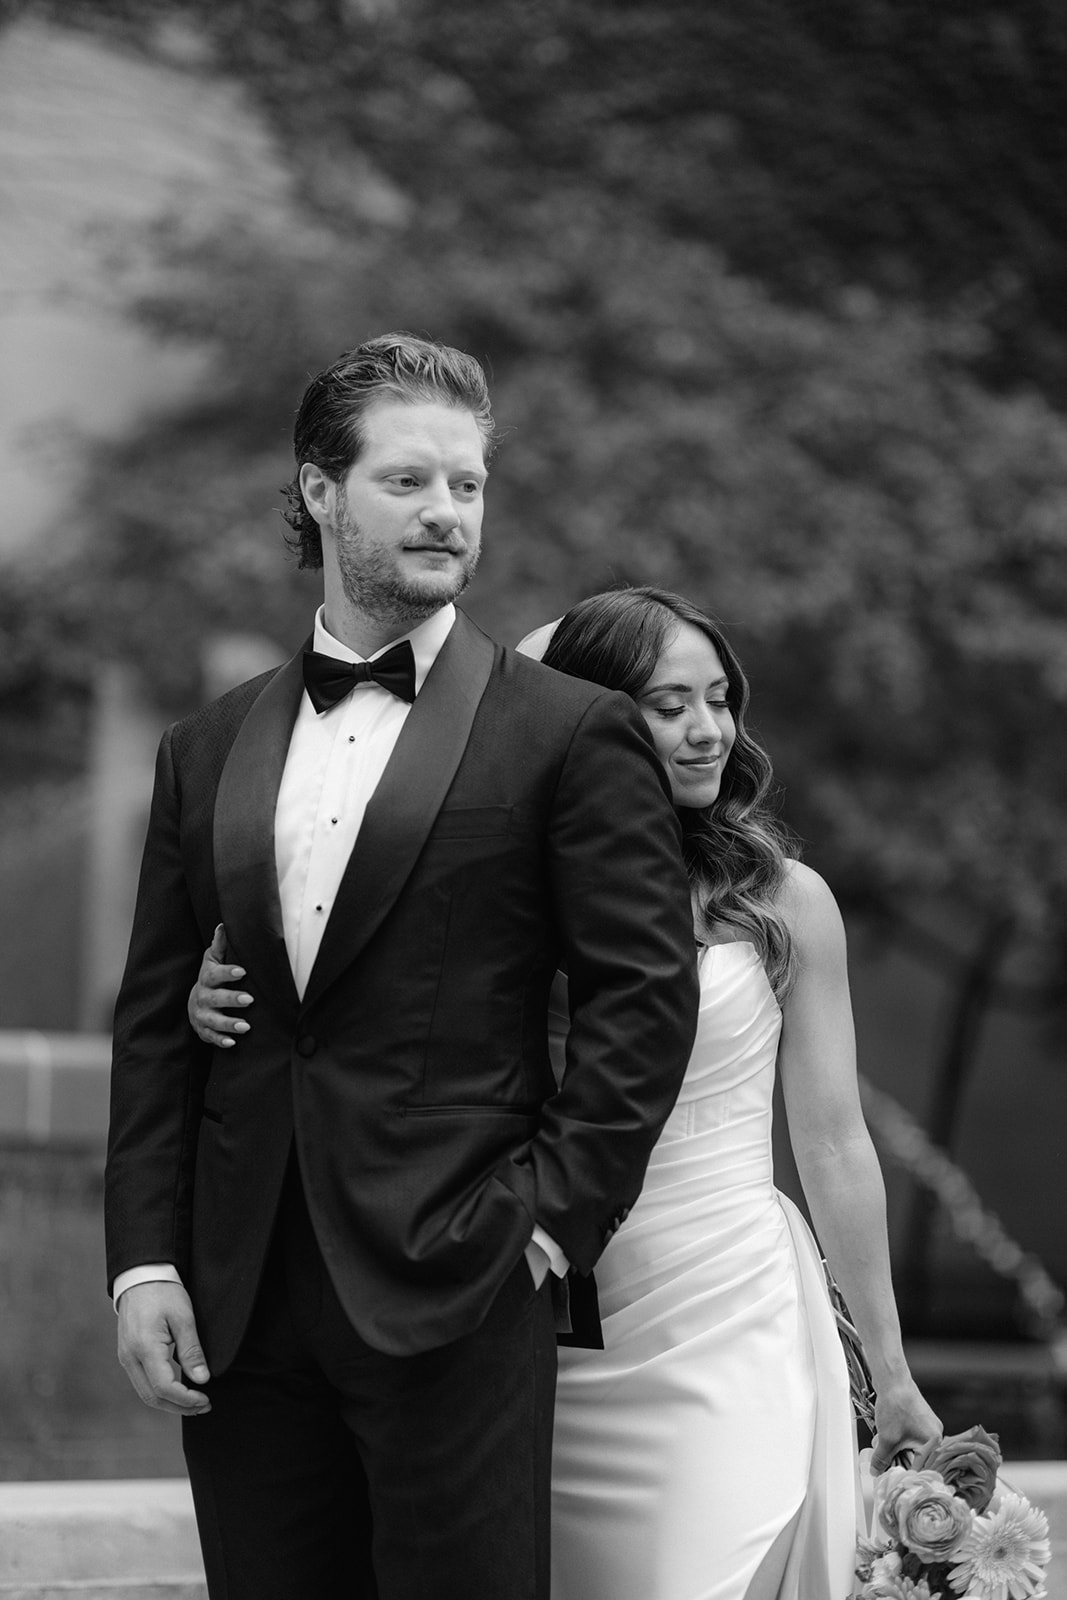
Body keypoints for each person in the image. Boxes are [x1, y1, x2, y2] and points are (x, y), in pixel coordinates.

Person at [105, 337, 700, 1600]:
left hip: (461, 1274)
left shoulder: (568, 732)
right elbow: (156, 1019)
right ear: (320, 490)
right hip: (239, 1299)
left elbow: (642, 1002)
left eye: (466, 485)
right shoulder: (203, 746)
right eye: (408, 481)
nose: (446, 512)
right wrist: (145, 1260)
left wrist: (547, 1225)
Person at [530, 589, 940, 1600]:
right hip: (552, 1308)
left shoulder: (783, 900)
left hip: (730, 1307)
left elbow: (834, 1142)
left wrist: (890, 1371)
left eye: (717, 699)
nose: (707, 729)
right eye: (668, 705)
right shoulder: (511, 894)